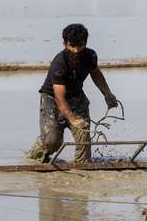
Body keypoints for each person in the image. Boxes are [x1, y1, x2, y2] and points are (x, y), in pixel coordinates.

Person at [25, 24, 119, 163]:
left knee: (83, 134)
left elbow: (96, 74)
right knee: (53, 141)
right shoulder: (59, 63)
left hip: (76, 96)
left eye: (79, 46)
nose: (76, 50)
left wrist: (107, 93)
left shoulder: (90, 55)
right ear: (65, 44)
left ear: (85, 43)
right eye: (72, 46)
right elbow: (59, 97)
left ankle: (82, 166)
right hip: (52, 99)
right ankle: (36, 152)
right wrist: (73, 119)